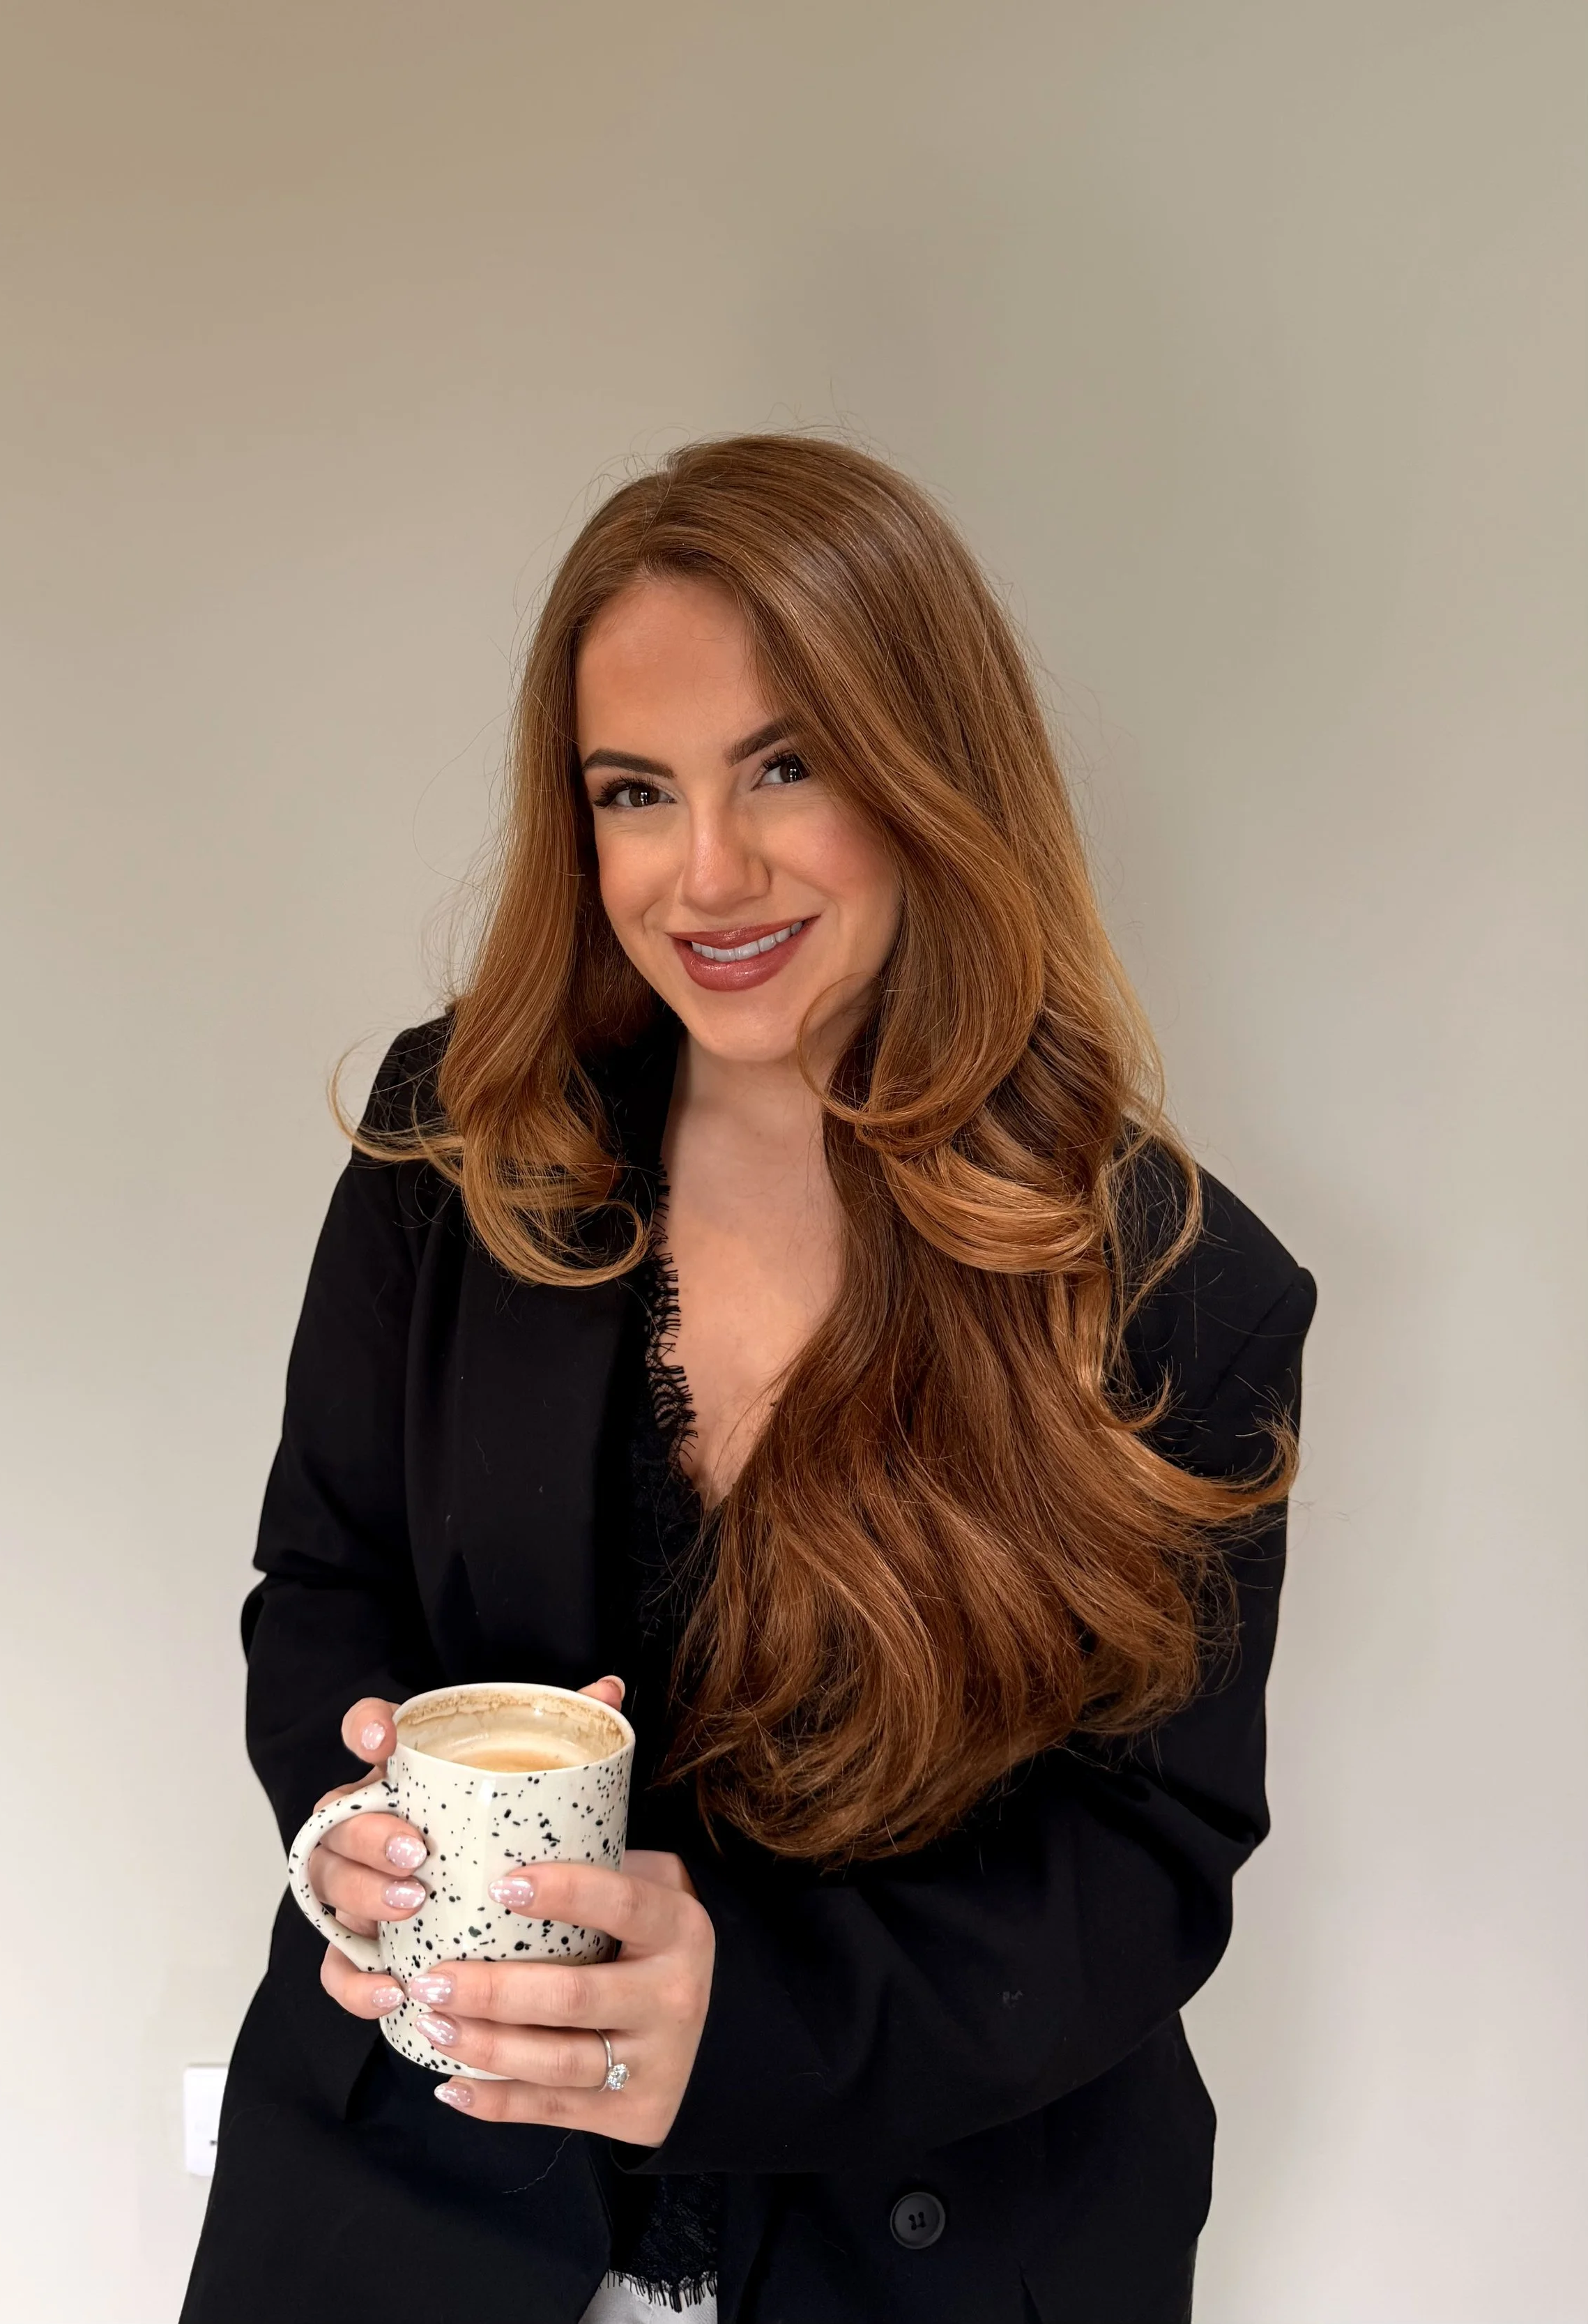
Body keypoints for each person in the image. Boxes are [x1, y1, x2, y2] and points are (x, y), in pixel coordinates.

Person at [181, 435, 1315, 2324]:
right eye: (635, 791)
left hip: (943, 2250)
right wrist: (341, 1826)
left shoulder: (1179, 1293)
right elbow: (325, 1588)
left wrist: (749, 2017)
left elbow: (1145, 1862)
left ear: (929, 770)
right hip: (411, 2213)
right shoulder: (447, 1146)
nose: (705, 872)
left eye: (783, 765)